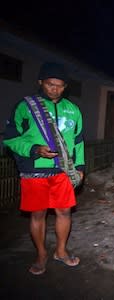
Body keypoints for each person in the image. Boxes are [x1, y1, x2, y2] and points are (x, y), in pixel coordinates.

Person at [3, 62, 85, 275]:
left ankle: (61, 251)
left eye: (59, 85)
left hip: (63, 171)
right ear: (40, 82)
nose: (54, 89)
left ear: (65, 86)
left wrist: (81, 167)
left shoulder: (73, 110)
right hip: (34, 171)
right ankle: (41, 254)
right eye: (50, 84)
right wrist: (34, 149)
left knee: (64, 211)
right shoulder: (26, 106)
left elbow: (78, 141)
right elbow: (10, 139)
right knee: (38, 214)